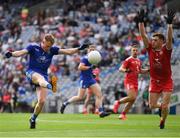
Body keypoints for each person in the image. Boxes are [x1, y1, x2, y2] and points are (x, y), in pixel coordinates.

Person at [5, 34, 91, 129]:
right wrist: (12, 54)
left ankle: (33, 119)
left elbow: (68, 51)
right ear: (43, 41)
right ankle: (50, 85)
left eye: (49, 46)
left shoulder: (52, 50)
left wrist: (79, 48)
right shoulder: (33, 47)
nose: (48, 48)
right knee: (40, 78)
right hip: (32, 73)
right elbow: (21, 52)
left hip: (44, 75)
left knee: (41, 101)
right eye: (46, 46)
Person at [138, 9, 175, 129]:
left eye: (155, 40)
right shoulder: (150, 50)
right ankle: (161, 109)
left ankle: (162, 120)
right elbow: (143, 35)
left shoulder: (166, 50)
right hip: (154, 81)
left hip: (166, 81)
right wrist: (140, 21)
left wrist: (169, 24)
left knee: (165, 105)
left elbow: (169, 39)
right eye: (152, 40)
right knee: (152, 105)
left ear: (161, 42)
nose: (152, 42)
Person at [60, 45, 110, 118]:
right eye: (90, 49)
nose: (91, 51)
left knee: (99, 94)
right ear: (87, 50)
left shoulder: (93, 59)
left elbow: (89, 69)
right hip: (84, 80)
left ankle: (101, 111)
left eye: (93, 50)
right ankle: (65, 103)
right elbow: (80, 67)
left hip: (91, 79)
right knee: (80, 97)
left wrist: (92, 73)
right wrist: (90, 67)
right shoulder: (85, 58)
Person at [113, 44, 149, 120]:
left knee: (133, 99)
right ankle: (118, 102)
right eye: (133, 50)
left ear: (138, 51)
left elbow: (140, 71)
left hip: (136, 81)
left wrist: (148, 70)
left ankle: (122, 114)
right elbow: (120, 68)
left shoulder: (139, 61)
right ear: (131, 51)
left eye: (136, 50)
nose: (135, 52)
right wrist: (126, 70)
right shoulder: (128, 59)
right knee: (132, 97)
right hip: (129, 81)